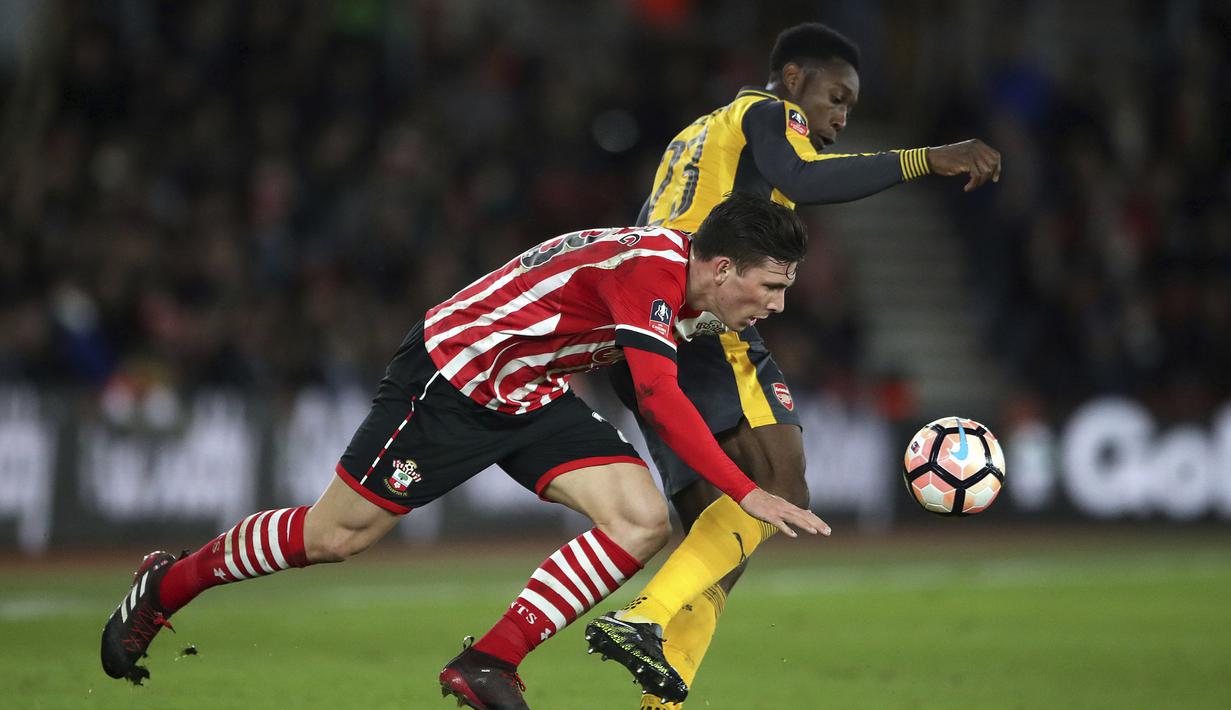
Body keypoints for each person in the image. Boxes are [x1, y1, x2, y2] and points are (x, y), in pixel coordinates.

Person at [98, 193, 828, 710]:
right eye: (770, 286)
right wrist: (746, 489)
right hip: (451, 378)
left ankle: (490, 661)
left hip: (528, 390)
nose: (776, 305)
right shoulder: (651, 274)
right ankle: (167, 586)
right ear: (724, 266)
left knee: (639, 522)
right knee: (333, 537)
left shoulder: (682, 280)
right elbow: (660, 398)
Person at [590, 22, 1003, 709]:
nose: (840, 117)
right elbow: (798, 177)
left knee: (717, 539)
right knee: (783, 484)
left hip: (643, 328)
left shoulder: (694, 137)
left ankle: (657, 699)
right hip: (701, 321)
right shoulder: (765, 112)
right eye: (835, 97)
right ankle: (643, 617)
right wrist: (929, 157)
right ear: (792, 82)